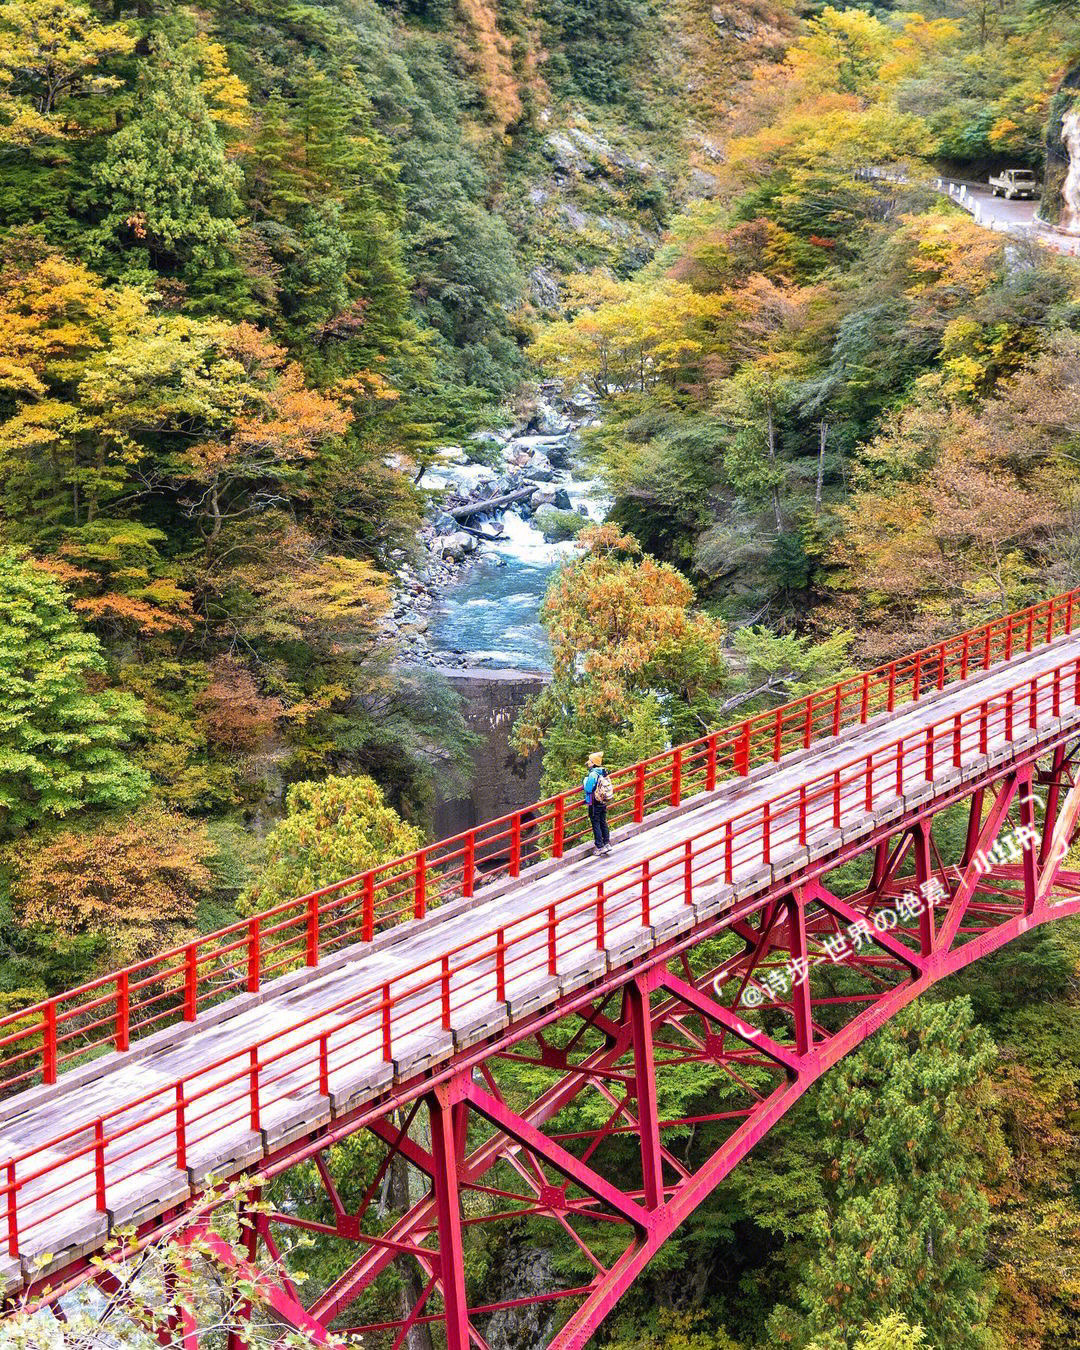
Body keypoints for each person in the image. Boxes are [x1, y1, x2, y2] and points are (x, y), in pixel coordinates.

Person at [583, 751, 613, 856]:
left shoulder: (593, 774)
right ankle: (607, 843)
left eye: (590, 761)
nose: (588, 763)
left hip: (594, 801)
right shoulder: (603, 772)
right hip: (603, 800)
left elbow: (588, 788)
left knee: (595, 823)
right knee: (602, 821)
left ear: (593, 762)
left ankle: (600, 846)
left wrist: (585, 781)